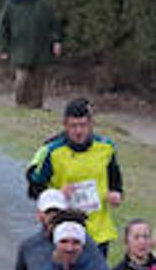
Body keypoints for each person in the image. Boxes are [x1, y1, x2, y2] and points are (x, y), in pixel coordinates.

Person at [26, 98, 126, 260]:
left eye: (83, 125)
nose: (79, 131)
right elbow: (33, 187)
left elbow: (115, 178)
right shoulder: (51, 151)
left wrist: (116, 193)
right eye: (73, 126)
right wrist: (57, 194)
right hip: (63, 233)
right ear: (65, 125)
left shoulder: (106, 147)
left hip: (97, 231)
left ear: (91, 124)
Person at [0, 0, 65, 108]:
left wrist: (56, 41)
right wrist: (2, 47)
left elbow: (54, 24)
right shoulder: (11, 3)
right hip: (19, 49)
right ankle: (21, 104)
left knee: (38, 82)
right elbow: (2, 26)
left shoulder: (43, 3)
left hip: (40, 49)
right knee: (22, 79)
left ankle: (36, 107)